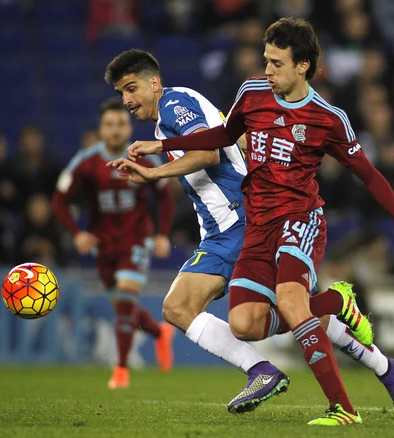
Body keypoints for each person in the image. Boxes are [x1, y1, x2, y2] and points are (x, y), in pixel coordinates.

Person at [108, 18, 394, 426]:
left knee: (269, 307)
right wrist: (164, 148)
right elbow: (225, 135)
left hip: (260, 220)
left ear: (304, 65)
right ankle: (365, 347)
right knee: (267, 318)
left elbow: (364, 171)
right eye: (266, 61)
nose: (267, 70)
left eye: (130, 89)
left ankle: (341, 404)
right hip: (249, 221)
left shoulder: (177, 105)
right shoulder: (252, 93)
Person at [103, 50, 290, 414]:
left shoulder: (175, 104)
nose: (126, 100)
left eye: (131, 88)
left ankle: (264, 368)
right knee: (186, 308)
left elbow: (209, 153)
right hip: (227, 228)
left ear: (154, 83)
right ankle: (377, 362)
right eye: (120, 93)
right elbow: (230, 142)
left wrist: (154, 171)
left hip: (238, 223)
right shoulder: (173, 113)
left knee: (181, 307)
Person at [52, 99, 176, 389]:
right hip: (103, 244)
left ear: (129, 126)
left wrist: (162, 234)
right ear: (101, 128)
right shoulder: (86, 161)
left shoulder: (143, 157)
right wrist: (76, 233)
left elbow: (166, 196)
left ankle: (120, 370)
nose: (115, 130)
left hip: (136, 239)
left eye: (121, 124)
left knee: (124, 301)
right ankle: (159, 333)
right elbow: (59, 201)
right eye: (109, 124)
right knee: (124, 307)